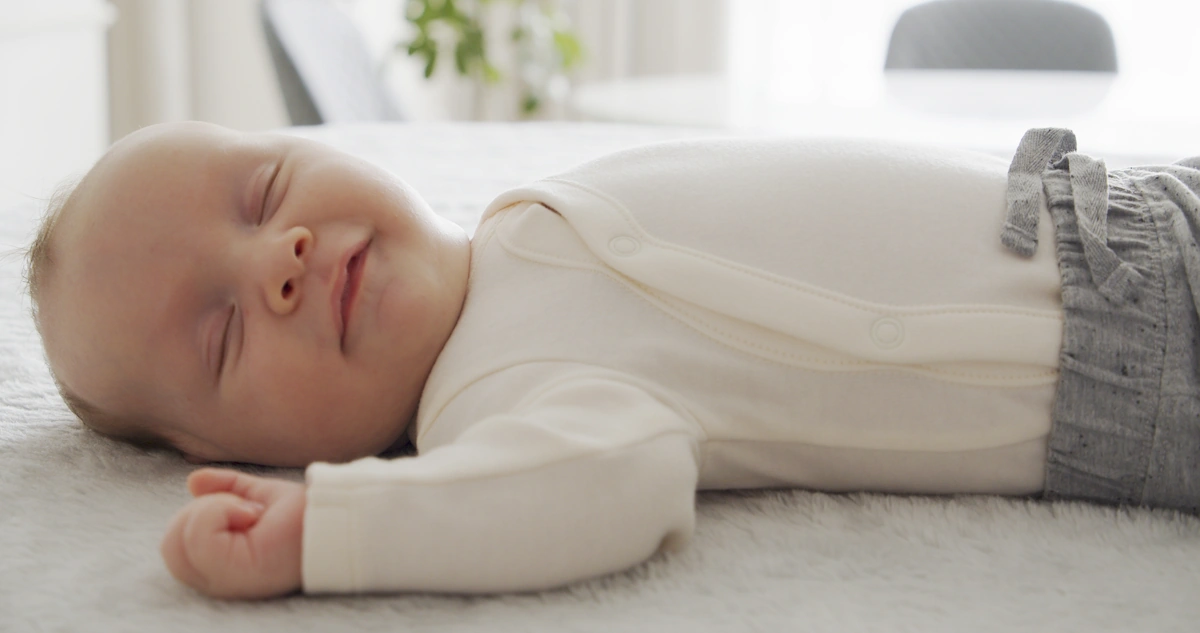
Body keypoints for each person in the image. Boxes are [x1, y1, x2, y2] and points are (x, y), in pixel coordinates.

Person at [24, 122, 1200, 601]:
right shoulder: (490, 398)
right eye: (223, 333)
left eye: (263, 190)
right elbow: (599, 485)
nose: (276, 260)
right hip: (1137, 356)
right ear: (237, 452)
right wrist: (327, 531)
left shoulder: (524, 215)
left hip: (1127, 201)